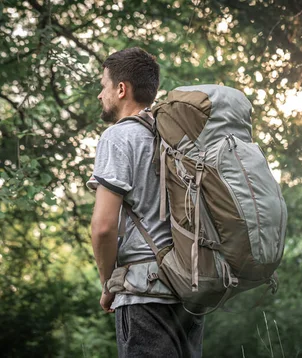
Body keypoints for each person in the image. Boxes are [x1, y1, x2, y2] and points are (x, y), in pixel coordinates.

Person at [86, 47, 205, 357]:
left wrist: (109, 283)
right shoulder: (176, 139)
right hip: (188, 290)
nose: (101, 95)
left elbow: (102, 227)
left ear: (121, 89)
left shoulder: (117, 137)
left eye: (104, 85)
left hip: (143, 293)